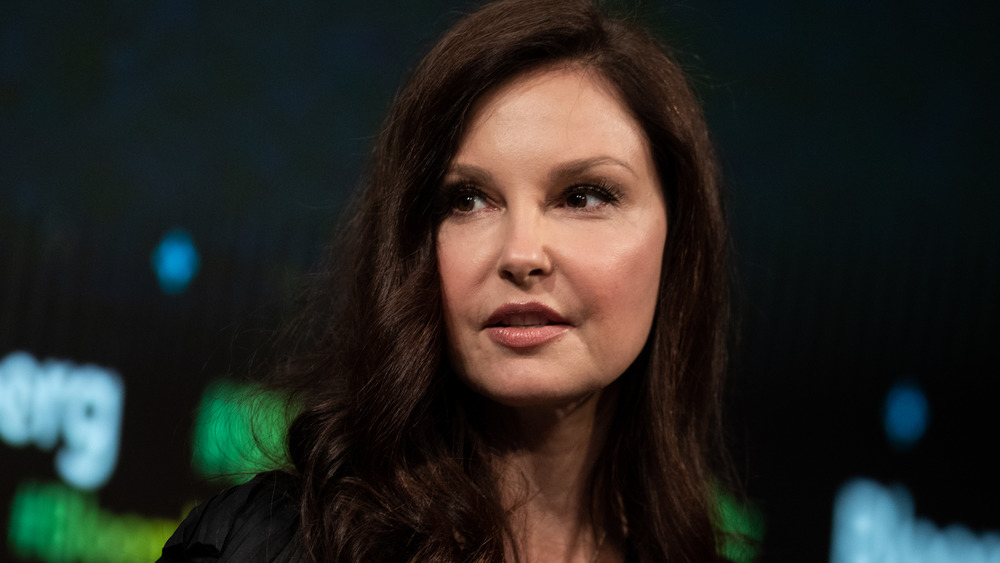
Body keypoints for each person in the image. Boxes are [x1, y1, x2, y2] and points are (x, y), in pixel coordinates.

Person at [160, 0, 743, 561]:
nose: (521, 254)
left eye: (583, 196)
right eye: (467, 200)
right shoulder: (264, 545)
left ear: (678, 241)